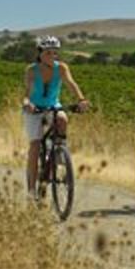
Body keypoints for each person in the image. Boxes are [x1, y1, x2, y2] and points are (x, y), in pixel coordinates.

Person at [22, 35, 89, 198]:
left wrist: (81, 99)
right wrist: (27, 104)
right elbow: (27, 94)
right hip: (34, 108)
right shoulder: (31, 70)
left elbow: (71, 84)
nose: (52, 56)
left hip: (53, 105)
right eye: (48, 53)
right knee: (35, 145)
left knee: (62, 119)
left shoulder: (62, 68)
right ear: (40, 54)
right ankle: (31, 189)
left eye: (54, 53)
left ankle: (59, 150)